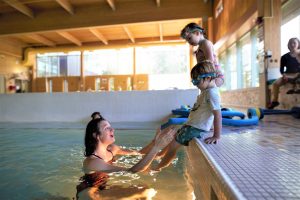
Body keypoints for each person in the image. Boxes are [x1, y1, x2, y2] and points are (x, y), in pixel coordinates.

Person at [76, 116, 176, 199]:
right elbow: (132, 170)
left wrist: (154, 141)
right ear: (96, 136)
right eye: (107, 128)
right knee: (146, 192)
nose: (112, 129)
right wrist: (156, 147)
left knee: (144, 189)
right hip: (90, 195)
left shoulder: (112, 149)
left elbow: (139, 153)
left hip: (103, 188)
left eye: (111, 127)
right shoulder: (93, 161)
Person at [152, 60, 222, 171]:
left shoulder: (212, 93)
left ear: (208, 78)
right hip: (191, 125)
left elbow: (217, 115)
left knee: (173, 147)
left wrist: (216, 136)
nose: (196, 84)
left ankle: (158, 168)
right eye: (193, 81)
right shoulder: (205, 91)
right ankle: (160, 155)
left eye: (197, 81)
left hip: (195, 128)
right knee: (173, 135)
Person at [180, 22, 224, 87]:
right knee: (205, 92)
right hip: (209, 76)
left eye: (189, 38)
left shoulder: (206, 43)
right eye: (187, 40)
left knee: (209, 93)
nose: (189, 42)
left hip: (215, 76)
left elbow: (210, 62)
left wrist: (203, 78)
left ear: (197, 33)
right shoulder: (200, 47)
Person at [268, 37, 300, 109]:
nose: (292, 44)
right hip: (288, 75)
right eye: (290, 43)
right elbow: (281, 70)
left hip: (298, 75)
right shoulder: (284, 57)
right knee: (275, 84)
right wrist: (284, 75)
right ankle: (275, 101)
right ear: (288, 45)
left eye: (294, 43)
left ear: (298, 44)